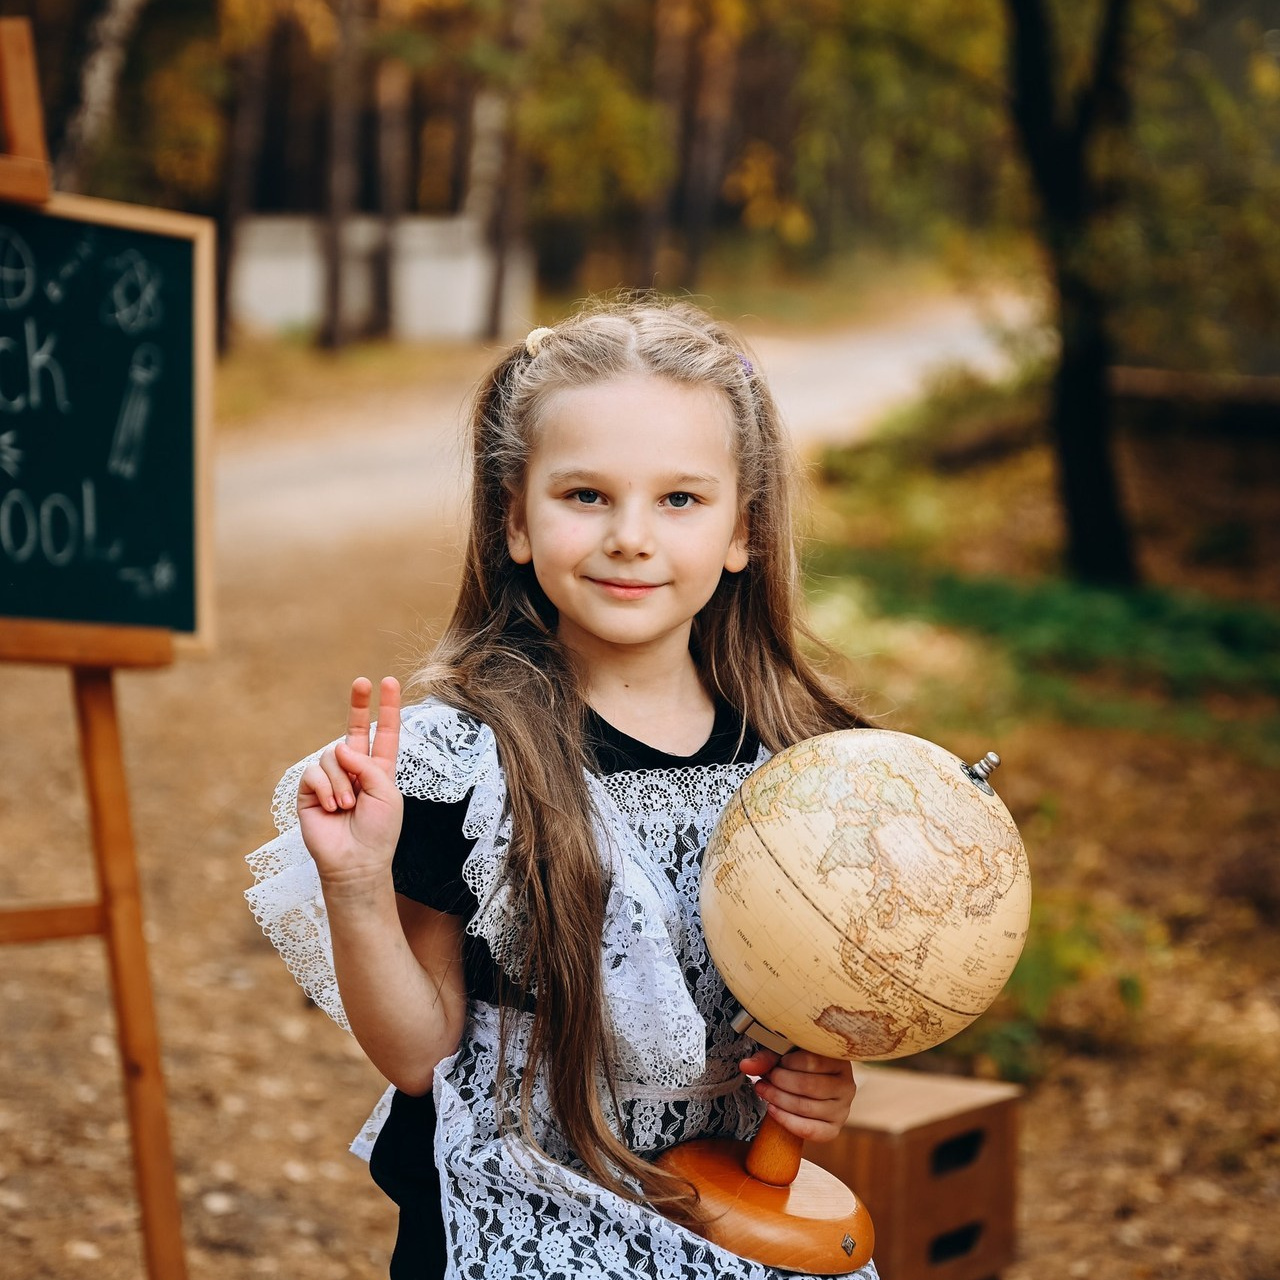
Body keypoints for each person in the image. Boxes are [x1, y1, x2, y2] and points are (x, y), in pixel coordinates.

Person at [246, 297, 879, 1279]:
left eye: (679, 499)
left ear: (741, 529)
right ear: (515, 519)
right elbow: (419, 1052)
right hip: (518, 1223)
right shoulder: (467, 764)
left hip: (720, 1226)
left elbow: (805, 1025)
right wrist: (359, 882)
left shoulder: (794, 772)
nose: (630, 535)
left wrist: (818, 1090)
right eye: (585, 494)